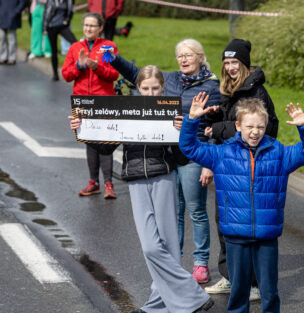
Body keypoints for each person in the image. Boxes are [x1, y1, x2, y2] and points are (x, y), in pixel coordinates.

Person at [69, 65, 214, 313]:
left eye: (155, 88)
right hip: (135, 179)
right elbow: (106, 147)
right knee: (150, 247)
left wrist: (184, 131)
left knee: (168, 246)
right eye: (145, 88)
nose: (150, 93)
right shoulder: (128, 110)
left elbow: (181, 157)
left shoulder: (172, 110)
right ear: (138, 88)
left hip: (163, 177)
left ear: (162, 88)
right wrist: (81, 130)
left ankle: (158, 306)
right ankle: (193, 298)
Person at [180, 95, 304, 313]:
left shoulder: (279, 154)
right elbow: (189, 148)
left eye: (260, 127)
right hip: (235, 235)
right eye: (249, 126)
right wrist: (192, 120)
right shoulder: (222, 154)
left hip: (266, 236)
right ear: (238, 126)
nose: (255, 132)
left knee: (269, 291)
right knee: (239, 290)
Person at [109, 38, 221, 284]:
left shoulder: (212, 86)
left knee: (196, 211)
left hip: (194, 154)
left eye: (188, 55)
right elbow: (141, 76)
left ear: (200, 57)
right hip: (170, 155)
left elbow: (214, 126)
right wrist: (116, 60)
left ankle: (201, 262)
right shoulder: (170, 79)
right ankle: (175, 261)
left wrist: (208, 162)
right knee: (175, 213)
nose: (183, 59)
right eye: (180, 55)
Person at [204, 38, 279, 299]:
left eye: (235, 62)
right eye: (226, 62)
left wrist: (218, 128)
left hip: (249, 169)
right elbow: (230, 123)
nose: (230, 67)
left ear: (244, 64)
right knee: (224, 222)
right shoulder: (229, 89)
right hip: (228, 165)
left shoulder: (256, 92)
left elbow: (266, 129)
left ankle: (255, 285)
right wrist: (212, 116)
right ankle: (230, 277)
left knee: (248, 226)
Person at [62, 12, 119, 198]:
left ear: (101, 28)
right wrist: (79, 66)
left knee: (105, 141)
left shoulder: (108, 47)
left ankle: (109, 184)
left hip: (103, 100)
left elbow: (113, 75)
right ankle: (93, 182)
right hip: (82, 101)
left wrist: (97, 67)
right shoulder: (75, 48)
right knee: (90, 141)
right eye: (86, 25)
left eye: (92, 26)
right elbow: (66, 75)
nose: (88, 29)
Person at [43, 0, 77, 80]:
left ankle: (76, 68)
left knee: (75, 43)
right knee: (53, 51)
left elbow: (70, 11)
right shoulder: (51, 1)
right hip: (51, 27)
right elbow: (46, 13)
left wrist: (67, 21)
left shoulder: (68, 1)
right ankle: (55, 74)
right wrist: (44, 28)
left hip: (62, 26)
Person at [0, 0, 26, 65]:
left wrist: (16, 11)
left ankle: (12, 58)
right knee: (2, 37)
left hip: (13, 16)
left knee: (12, 38)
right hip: (2, 15)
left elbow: (22, 2)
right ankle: (3, 57)